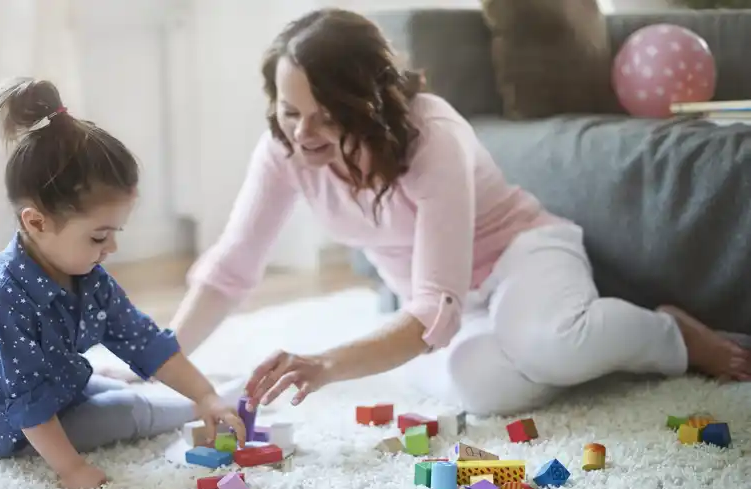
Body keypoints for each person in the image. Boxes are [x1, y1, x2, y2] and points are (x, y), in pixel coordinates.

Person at [169, 9, 751, 417]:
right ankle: (565, 348)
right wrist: (161, 357)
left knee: (549, 345)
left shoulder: (431, 135)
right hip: (447, 304)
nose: (303, 134)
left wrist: (326, 364)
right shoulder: (284, 150)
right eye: (290, 111)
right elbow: (231, 268)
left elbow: (432, 309)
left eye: (325, 115)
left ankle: (668, 334)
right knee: (482, 388)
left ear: (368, 104)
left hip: (518, 254)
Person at [0, 78, 246, 489]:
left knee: (113, 386)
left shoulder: (87, 277)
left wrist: (206, 394)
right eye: (98, 236)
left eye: (114, 233)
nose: (112, 248)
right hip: (9, 432)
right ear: (36, 222)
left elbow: (144, 341)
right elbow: (27, 405)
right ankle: (187, 410)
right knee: (127, 411)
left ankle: (208, 399)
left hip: (60, 386)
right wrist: (72, 469)